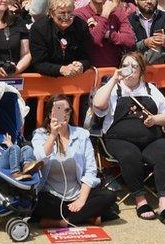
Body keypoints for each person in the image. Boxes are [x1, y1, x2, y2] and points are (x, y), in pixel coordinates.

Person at [92, 52, 165, 225]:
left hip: (150, 137)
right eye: (125, 65)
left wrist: (154, 119)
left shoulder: (150, 89)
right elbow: (98, 105)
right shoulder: (113, 88)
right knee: (130, 155)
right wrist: (114, 79)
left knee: (164, 154)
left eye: (134, 66)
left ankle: (164, 203)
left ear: (141, 70)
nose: (129, 70)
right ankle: (141, 199)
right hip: (119, 138)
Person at [30, 95, 117, 228]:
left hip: (77, 193)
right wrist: (53, 135)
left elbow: (90, 170)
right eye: (59, 109)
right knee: (33, 202)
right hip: (51, 195)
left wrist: (81, 200)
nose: (64, 114)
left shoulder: (81, 134)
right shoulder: (40, 134)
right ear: (50, 113)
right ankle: (87, 216)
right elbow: (39, 159)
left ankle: (61, 222)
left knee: (109, 196)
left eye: (67, 110)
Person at [28, 0, 92, 77]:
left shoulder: (81, 26)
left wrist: (81, 64)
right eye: (62, 13)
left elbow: (87, 57)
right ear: (51, 13)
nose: (66, 17)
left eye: (70, 13)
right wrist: (60, 69)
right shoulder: (39, 29)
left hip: (75, 79)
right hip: (45, 81)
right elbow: (39, 63)